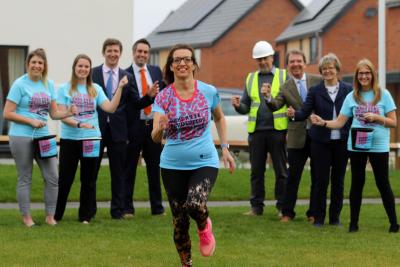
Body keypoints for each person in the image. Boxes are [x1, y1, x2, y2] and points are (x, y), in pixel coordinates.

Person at [151, 44, 235, 267]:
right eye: (177, 60)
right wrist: (161, 127)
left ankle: (204, 226)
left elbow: (219, 118)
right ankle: (186, 264)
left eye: (186, 59)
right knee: (179, 221)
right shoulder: (163, 97)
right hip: (172, 165)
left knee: (196, 204)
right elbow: (154, 136)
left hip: (204, 161)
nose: (182, 63)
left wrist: (225, 148)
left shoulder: (208, 91)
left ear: (194, 64)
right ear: (171, 66)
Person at [311, 59, 399, 233]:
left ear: (372, 75)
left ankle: (394, 224)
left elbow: (393, 122)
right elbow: (339, 122)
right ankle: (353, 224)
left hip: (378, 145)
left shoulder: (384, 94)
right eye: (361, 73)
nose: (364, 76)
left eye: (367, 73)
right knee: (357, 183)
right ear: (357, 77)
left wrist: (377, 118)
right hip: (357, 144)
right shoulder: (351, 96)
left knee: (383, 183)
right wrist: (323, 123)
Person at [3, 48, 76, 227]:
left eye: (40, 63)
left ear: (44, 66)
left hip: (44, 136)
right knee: (25, 177)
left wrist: (67, 112)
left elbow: (53, 114)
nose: (37, 65)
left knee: (52, 175)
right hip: (21, 136)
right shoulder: (19, 84)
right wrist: (30, 121)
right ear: (28, 64)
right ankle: (26, 217)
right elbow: (7, 113)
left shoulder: (49, 84)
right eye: (34, 62)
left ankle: (50, 216)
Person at [54, 54, 128, 224]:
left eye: (86, 67)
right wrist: (79, 125)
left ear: (89, 70)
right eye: (80, 66)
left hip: (91, 139)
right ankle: (56, 215)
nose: (83, 69)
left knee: (88, 180)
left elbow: (110, 108)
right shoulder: (65, 89)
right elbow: (62, 115)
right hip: (70, 139)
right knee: (65, 179)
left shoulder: (95, 89)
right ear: (74, 68)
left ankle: (85, 216)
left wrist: (120, 88)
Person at [287, 53, 352, 226]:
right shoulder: (315, 91)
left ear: (337, 70)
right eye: (324, 69)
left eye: (331, 68)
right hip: (320, 142)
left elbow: (352, 114)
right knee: (320, 180)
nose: (327, 71)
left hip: (341, 142)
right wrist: (294, 115)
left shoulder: (348, 90)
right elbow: (304, 111)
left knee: (338, 181)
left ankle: (335, 218)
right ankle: (319, 217)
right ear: (321, 72)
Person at [261, 49, 321, 223]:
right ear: (287, 66)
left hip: (317, 135)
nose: (295, 64)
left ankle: (313, 213)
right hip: (297, 137)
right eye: (292, 62)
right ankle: (288, 212)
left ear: (305, 63)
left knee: (318, 176)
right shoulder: (285, 86)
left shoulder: (317, 81)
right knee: (292, 176)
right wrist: (267, 97)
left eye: (298, 61)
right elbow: (276, 104)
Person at [231, 40, 288, 216]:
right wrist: (238, 106)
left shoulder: (283, 76)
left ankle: (282, 207)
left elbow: (288, 101)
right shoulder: (251, 78)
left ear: (272, 57)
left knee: (281, 171)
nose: (262, 62)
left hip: (278, 130)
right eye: (259, 59)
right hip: (256, 132)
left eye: (265, 58)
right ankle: (256, 207)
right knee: (256, 172)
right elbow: (246, 107)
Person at [92, 38, 135, 219]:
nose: (112, 54)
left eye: (116, 51)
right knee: (91, 171)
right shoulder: (92, 74)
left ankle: (117, 211)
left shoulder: (128, 76)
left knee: (118, 173)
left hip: (118, 131)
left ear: (120, 53)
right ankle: (89, 211)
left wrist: (149, 97)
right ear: (104, 52)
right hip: (95, 129)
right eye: (109, 50)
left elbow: (135, 103)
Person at [125, 38, 165, 216]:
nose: (142, 54)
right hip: (134, 127)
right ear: (133, 53)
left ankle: (157, 208)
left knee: (154, 168)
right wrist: (148, 96)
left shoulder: (156, 71)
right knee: (130, 169)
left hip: (153, 126)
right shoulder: (125, 74)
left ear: (149, 55)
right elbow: (132, 104)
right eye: (139, 51)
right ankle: (127, 208)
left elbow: (163, 96)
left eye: (145, 52)